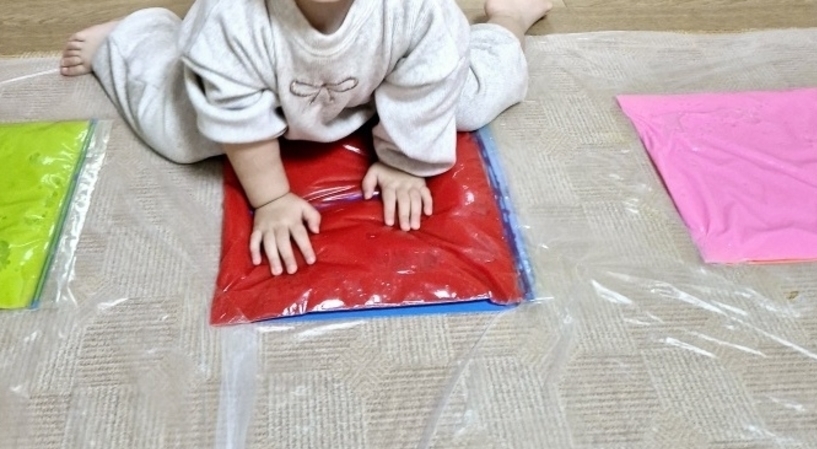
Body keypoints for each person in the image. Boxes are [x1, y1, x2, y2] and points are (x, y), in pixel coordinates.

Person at [60, 0, 552, 276]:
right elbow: (234, 112)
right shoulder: (229, 17)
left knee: (470, 102)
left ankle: (508, 19)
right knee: (179, 133)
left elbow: (433, 68)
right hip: (265, 86)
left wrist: (404, 159)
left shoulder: (418, 10)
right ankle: (137, 36)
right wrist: (271, 197)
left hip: (382, 80)